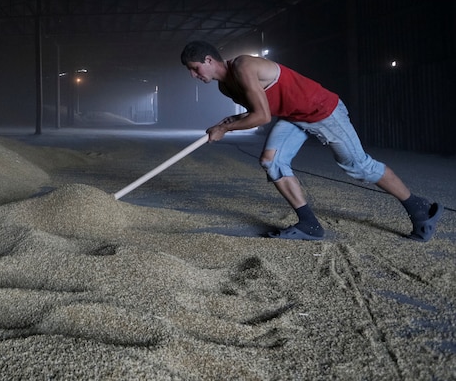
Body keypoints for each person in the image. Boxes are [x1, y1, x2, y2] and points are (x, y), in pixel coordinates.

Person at [180, 40, 442, 241]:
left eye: (194, 69)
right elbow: (258, 109)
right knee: (272, 162)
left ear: (208, 59)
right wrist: (227, 122)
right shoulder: (225, 87)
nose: (194, 75)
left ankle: (419, 208)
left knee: (359, 166)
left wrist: (224, 130)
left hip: (322, 110)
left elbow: (262, 116)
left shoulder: (244, 66)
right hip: (295, 117)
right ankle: (309, 225)